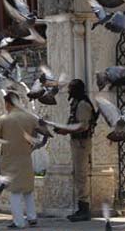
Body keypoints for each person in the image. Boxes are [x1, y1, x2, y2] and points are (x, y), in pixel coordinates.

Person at [0, 91, 40, 229]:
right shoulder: (31, 118)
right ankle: (32, 217)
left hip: (10, 159)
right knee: (28, 190)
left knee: (14, 192)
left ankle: (19, 222)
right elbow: (38, 133)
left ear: (8, 103)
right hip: (26, 158)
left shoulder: (4, 120)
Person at [55, 79, 97, 222]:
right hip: (76, 142)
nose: (68, 91)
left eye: (71, 88)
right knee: (78, 174)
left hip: (82, 143)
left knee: (81, 175)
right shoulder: (76, 103)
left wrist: (66, 130)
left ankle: (84, 209)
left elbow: (83, 126)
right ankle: (81, 208)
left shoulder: (83, 105)